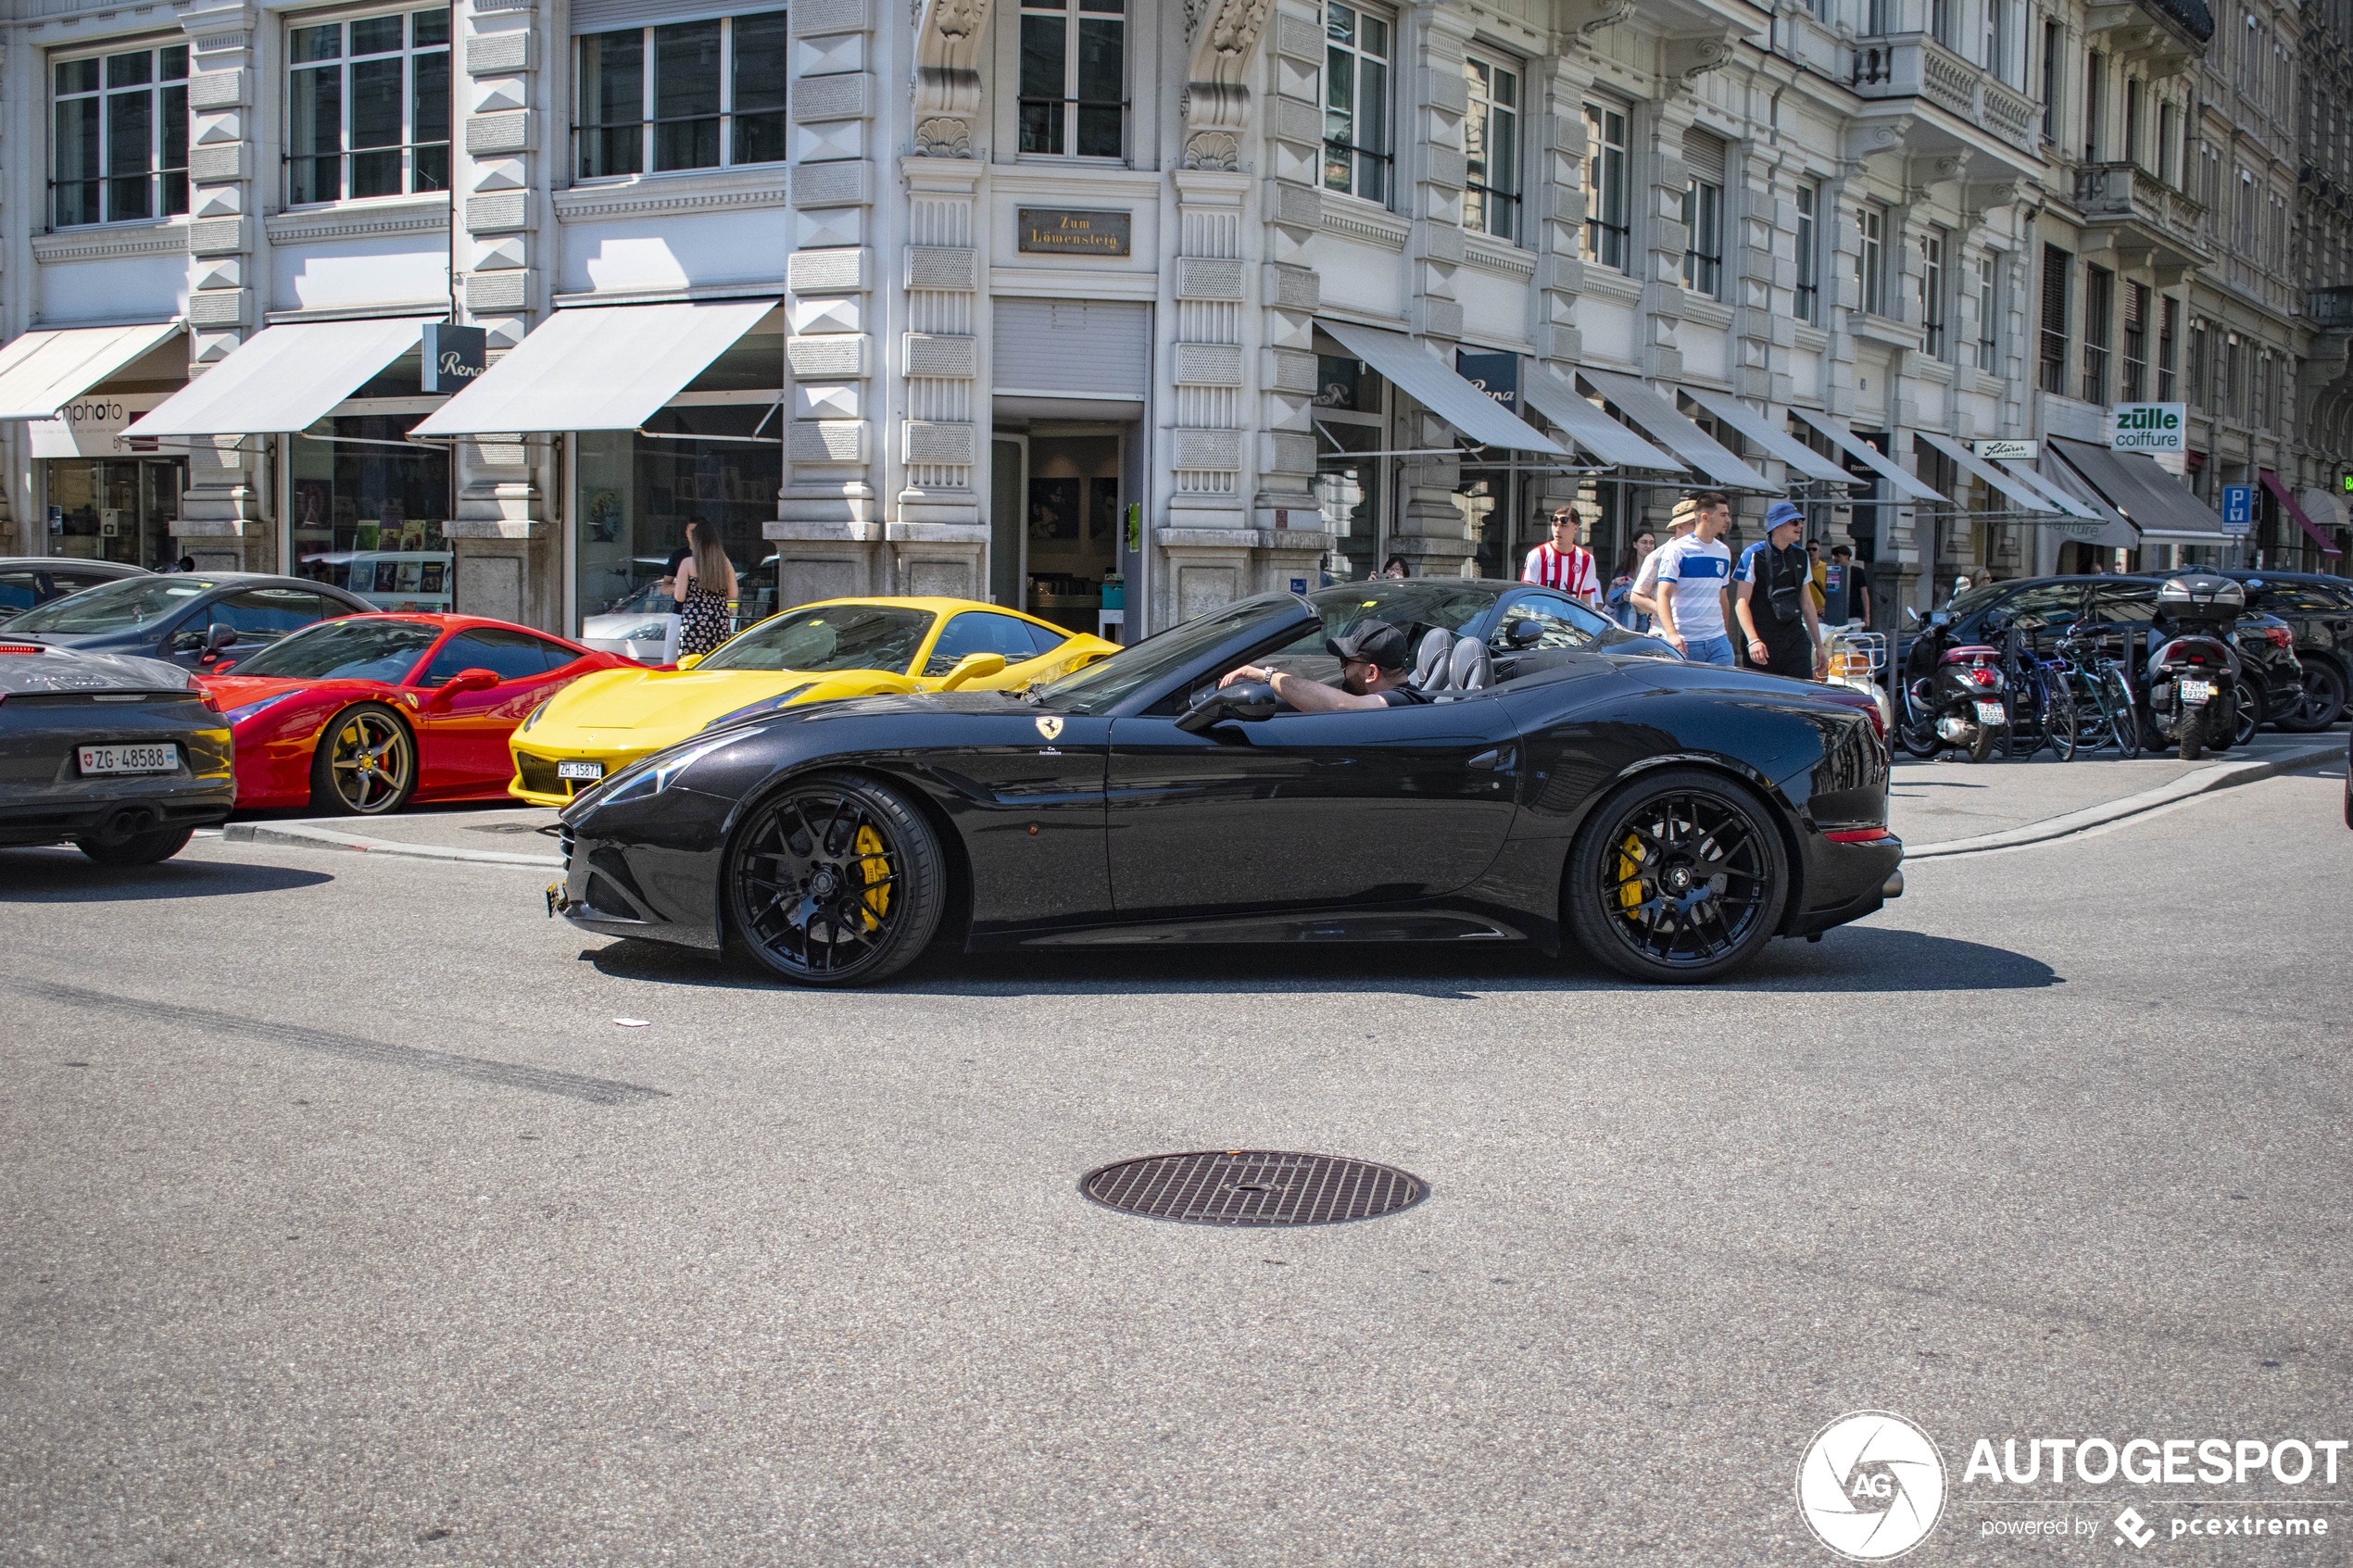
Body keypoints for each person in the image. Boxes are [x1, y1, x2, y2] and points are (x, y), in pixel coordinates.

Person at [1220, 618, 1428, 711]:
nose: (1341, 668)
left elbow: (1337, 706)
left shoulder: (1404, 703)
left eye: (1345, 661)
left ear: (1371, 672)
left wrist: (1265, 676)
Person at [1734, 501, 1828, 680]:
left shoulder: (1801, 556)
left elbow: (1807, 603)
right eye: (1794, 522)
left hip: (1795, 638)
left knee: (1801, 695)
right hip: (1763, 641)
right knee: (1765, 699)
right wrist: (1753, 640)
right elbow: (1741, 602)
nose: (1800, 526)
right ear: (1777, 525)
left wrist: (1819, 646)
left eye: (1801, 521)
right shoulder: (1753, 554)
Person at [1652, 492, 1736, 665]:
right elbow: (1663, 595)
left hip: (1718, 641)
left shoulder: (1724, 551)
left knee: (1722, 690)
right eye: (1723, 515)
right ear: (1705, 517)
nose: (1728, 520)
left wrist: (1725, 635)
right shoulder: (1677, 550)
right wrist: (1672, 634)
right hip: (1686, 641)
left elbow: (1723, 598)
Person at [1629, 498, 1701, 624]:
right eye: (1694, 523)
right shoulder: (1659, 556)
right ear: (1680, 526)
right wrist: (1667, 612)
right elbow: (1636, 596)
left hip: (1698, 631)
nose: (1699, 528)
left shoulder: (1703, 553)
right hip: (1665, 631)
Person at [673, 520, 737, 659]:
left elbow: (679, 596)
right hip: (719, 619)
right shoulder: (724, 562)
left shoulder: (687, 563)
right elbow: (733, 594)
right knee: (717, 662)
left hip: (694, 621)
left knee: (693, 664)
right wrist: (715, 598)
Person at [1521, 508, 1600, 608]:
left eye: (1563, 526)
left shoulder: (1587, 559)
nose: (1557, 530)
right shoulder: (1538, 554)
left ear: (1575, 528)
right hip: (1541, 621)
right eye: (1555, 525)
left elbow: (1586, 600)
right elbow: (1526, 595)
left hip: (1570, 622)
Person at [1607, 532, 1655, 630]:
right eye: (1644, 542)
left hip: (1648, 621)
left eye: (1651, 543)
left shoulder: (1658, 568)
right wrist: (1621, 594)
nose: (1648, 546)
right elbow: (1608, 599)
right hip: (1625, 619)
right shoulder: (1625, 568)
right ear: (1635, 544)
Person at [1818, 543, 1869, 630]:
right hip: (1835, 615)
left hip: (1853, 615)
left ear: (1846, 556)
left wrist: (1867, 616)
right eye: (1834, 556)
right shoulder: (1832, 573)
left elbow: (1864, 595)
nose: (1835, 559)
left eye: (1838, 556)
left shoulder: (1857, 572)